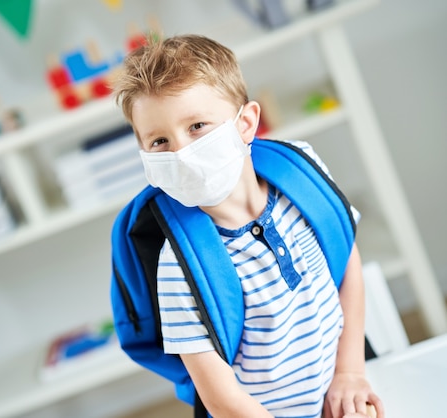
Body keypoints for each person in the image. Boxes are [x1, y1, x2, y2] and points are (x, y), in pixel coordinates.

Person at [111, 34, 384, 418]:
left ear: (246, 123)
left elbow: (345, 260)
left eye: (197, 126)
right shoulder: (178, 266)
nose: (181, 153)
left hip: (340, 391)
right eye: (159, 141)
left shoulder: (303, 177)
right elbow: (220, 399)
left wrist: (351, 372)